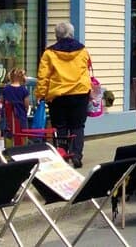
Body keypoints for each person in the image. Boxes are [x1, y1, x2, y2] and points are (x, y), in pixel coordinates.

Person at [34, 21, 91, 168]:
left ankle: (63, 153)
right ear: (72, 34)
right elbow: (87, 70)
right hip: (80, 93)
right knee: (78, 126)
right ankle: (77, 155)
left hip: (58, 95)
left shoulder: (49, 53)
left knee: (60, 126)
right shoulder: (83, 50)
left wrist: (40, 94)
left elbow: (43, 76)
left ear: (57, 35)